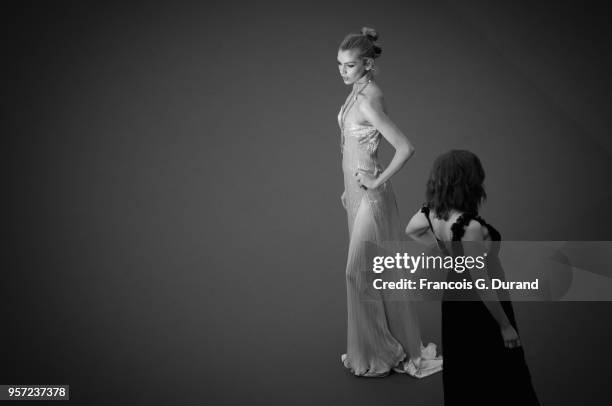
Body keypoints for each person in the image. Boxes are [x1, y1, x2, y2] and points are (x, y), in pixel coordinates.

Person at [337, 26, 442, 378]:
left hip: (373, 197)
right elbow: (351, 145)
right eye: (339, 65)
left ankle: (387, 349)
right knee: (374, 272)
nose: (342, 71)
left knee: (357, 271)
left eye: (349, 66)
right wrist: (347, 188)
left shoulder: (369, 98)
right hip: (355, 194)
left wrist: (374, 182)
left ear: (366, 64)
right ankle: (375, 349)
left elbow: (405, 147)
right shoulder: (356, 91)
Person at [405, 150, 540, 405]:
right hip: (480, 306)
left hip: (454, 299)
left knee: (464, 369)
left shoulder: (431, 212)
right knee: (504, 371)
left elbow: (411, 229)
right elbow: (482, 283)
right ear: (469, 183)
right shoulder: (471, 227)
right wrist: (504, 325)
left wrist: (446, 252)